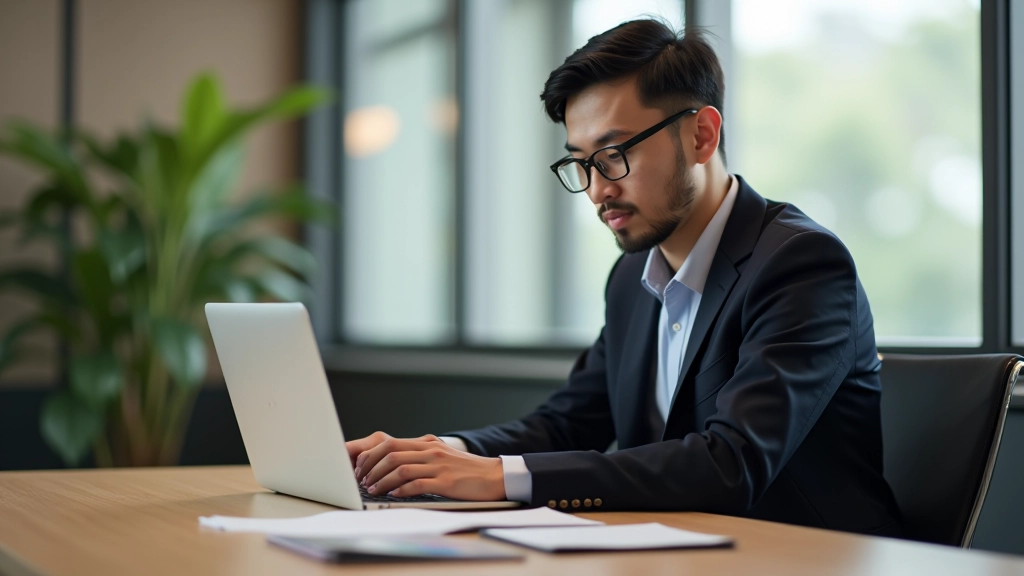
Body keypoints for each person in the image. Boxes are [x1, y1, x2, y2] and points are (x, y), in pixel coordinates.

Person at [346, 18, 903, 536]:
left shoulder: (800, 263)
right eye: (581, 163)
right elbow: (567, 424)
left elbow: (730, 463)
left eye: (613, 155)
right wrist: (435, 454)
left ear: (701, 137)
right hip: (678, 552)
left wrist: (497, 477)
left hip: (803, 559)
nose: (597, 189)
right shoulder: (633, 275)